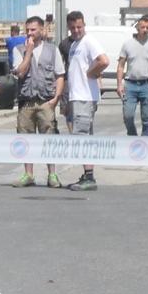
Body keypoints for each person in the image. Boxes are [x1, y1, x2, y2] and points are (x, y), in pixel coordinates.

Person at [11, 15, 66, 188]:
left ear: (42, 30)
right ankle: (28, 174)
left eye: (33, 29)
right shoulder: (19, 49)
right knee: (25, 139)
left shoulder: (52, 49)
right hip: (26, 101)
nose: (30, 33)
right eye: (27, 30)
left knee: (49, 138)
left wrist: (56, 97)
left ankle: (52, 175)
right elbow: (20, 72)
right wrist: (28, 51)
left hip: (45, 101)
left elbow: (60, 75)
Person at [63, 11, 109, 191]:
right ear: (68, 27)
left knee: (81, 139)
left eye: (79, 27)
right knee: (85, 138)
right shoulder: (75, 44)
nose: (76, 30)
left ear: (84, 25)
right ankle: (87, 174)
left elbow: (104, 60)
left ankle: (89, 177)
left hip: (85, 98)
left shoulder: (89, 41)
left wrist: (91, 73)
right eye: (73, 27)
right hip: (77, 97)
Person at [116, 19, 148, 136]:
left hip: (147, 85)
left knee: (147, 120)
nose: (145, 30)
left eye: (147, 28)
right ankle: (132, 137)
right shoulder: (128, 44)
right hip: (130, 85)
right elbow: (121, 66)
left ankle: (145, 144)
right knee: (128, 116)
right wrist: (119, 85)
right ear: (137, 28)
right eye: (143, 27)